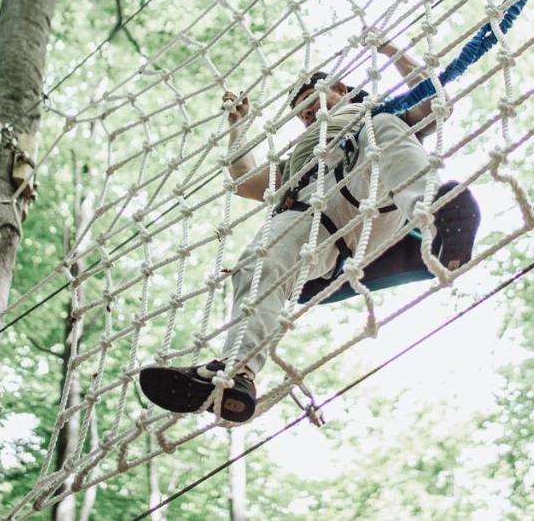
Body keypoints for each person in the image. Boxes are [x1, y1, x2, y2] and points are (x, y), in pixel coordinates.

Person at [138, 41, 481, 423]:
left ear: (344, 90)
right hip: (312, 216)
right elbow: (247, 181)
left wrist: (392, 52)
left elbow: (434, 98)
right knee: (258, 260)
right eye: (302, 112)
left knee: (383, 126)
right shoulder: (303, 155)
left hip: (374, 189)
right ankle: (236, 374)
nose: (309, 111)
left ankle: (436, 212)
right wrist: (238, 129)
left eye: (315, 98)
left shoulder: (373, 113)